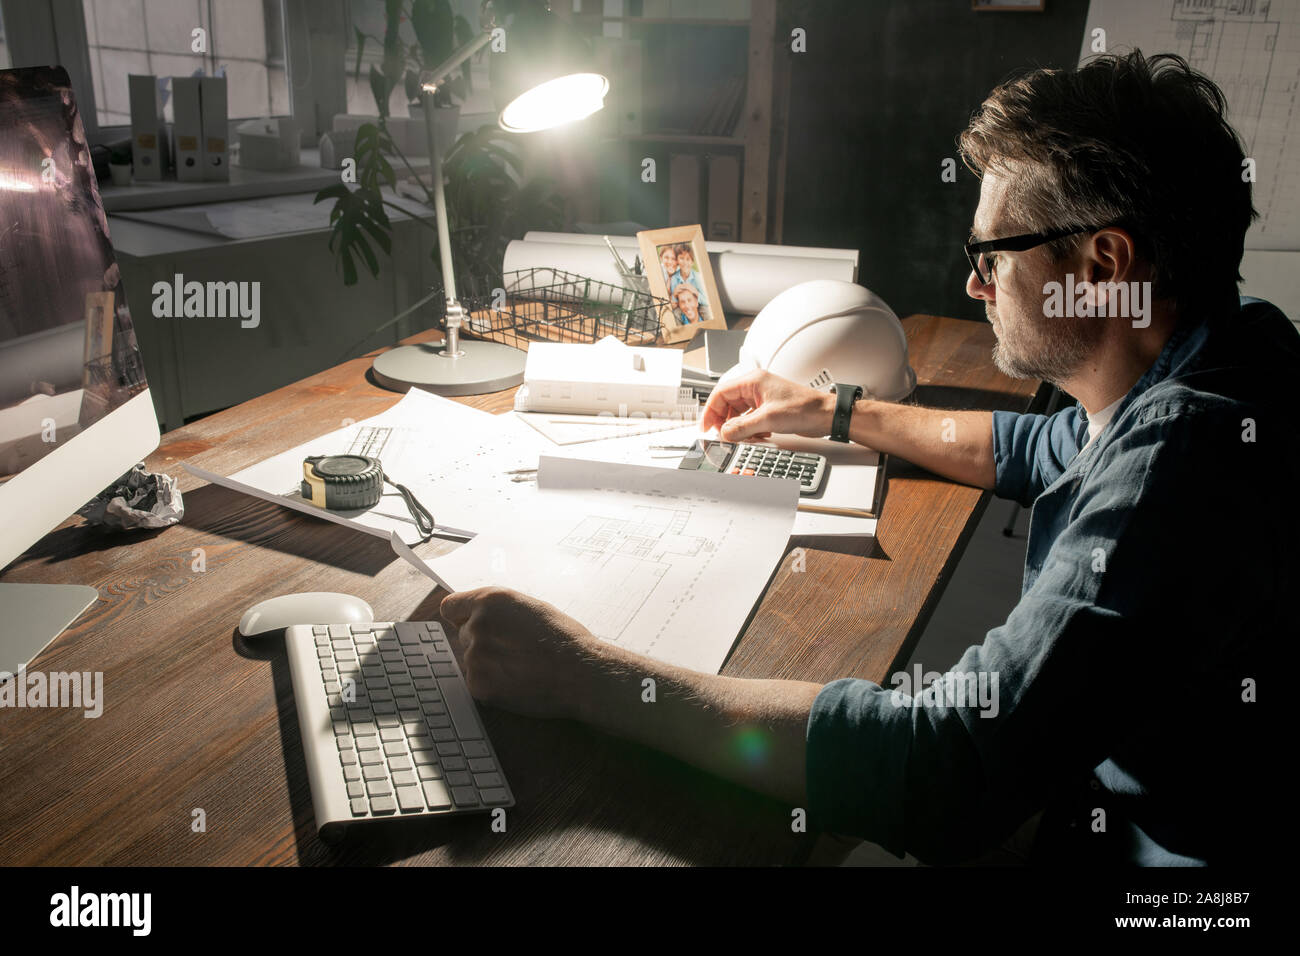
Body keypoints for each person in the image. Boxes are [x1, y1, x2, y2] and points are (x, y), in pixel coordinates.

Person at [438, 51, 1292, 865]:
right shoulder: (1229, 349)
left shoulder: (1185, 458)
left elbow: (948, 766)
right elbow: (1034, 445)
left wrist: (581, 674)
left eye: (992, 255)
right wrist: (832, 408)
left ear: (1104, 265)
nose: (974, 286)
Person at [669, 242, 710, 310]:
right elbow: (673, 304)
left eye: (688, 259)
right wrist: (674, 294)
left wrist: (695, 292)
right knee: (676, 312)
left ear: (692, 262)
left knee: (705, 310)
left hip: (698, 306)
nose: (685, 262)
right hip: (682, 307)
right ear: (677, 260)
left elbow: (707, 301)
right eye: (681, 258)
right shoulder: (674, 278)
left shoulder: (697, 277)